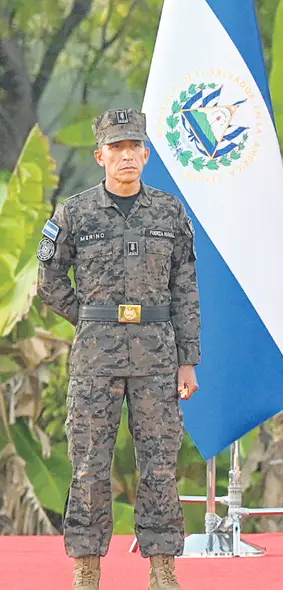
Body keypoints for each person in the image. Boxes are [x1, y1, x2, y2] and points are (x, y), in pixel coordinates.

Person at [36, 108, 201, 590]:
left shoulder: (170, 213)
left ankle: (163, 569)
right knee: (88, 463)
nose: (126, 156)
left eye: (134, 147)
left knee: (160, 465)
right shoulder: (75, 212)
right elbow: (48, 280)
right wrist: (90, 317)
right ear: (100, 156)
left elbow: (185, 289)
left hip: (157, 355)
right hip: (96, 359)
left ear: (146, 154)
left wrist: (188, 359)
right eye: (117, 148)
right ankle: (87, 569)